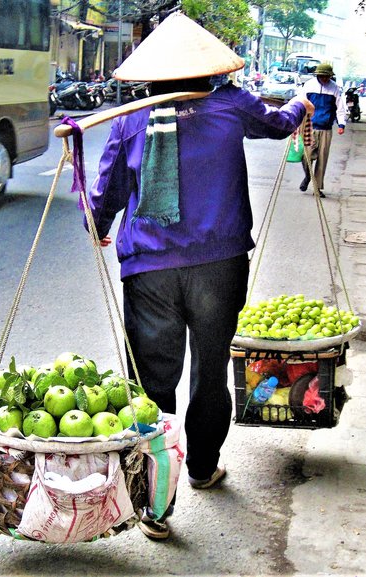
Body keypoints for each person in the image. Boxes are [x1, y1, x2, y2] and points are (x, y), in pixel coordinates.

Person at [84, 12, 314, 540]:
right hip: (219, 264)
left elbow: (108, 188)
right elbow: (279, 125)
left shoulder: (131, 118)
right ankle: (202, 468)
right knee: (211, 372)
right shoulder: (231, 103)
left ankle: (153, 505)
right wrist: (302, 101)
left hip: (150, 271)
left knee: (152, 385)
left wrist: (99, 223)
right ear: (206, 68)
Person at [298, 63, 346, 198]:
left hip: (326, 128)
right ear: (318, 75)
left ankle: (317, 187)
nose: (324, 79)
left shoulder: (334, 89)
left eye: (327, 77)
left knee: (322, 159)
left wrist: (341, 124)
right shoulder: (308, 86)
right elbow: (300, 103)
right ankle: (308, 176)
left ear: (330, 76)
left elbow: (340, 107)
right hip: (309, 125)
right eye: (322, 76)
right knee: (306, 156)